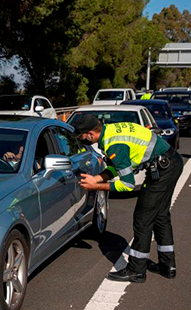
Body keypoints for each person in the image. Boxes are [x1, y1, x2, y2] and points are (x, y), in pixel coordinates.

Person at [71, 114, 182, 283]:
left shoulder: (114, 145)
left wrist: (96, 186)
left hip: (163, 169)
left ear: (92, 133)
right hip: (169, 163)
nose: (80, 139)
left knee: (142, 219)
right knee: (160, 216)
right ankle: (168, 266)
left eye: (81, 136)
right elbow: (120, 167)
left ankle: (136, 270)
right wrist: (97, 178)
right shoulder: (111, 131)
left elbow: (127, 184)